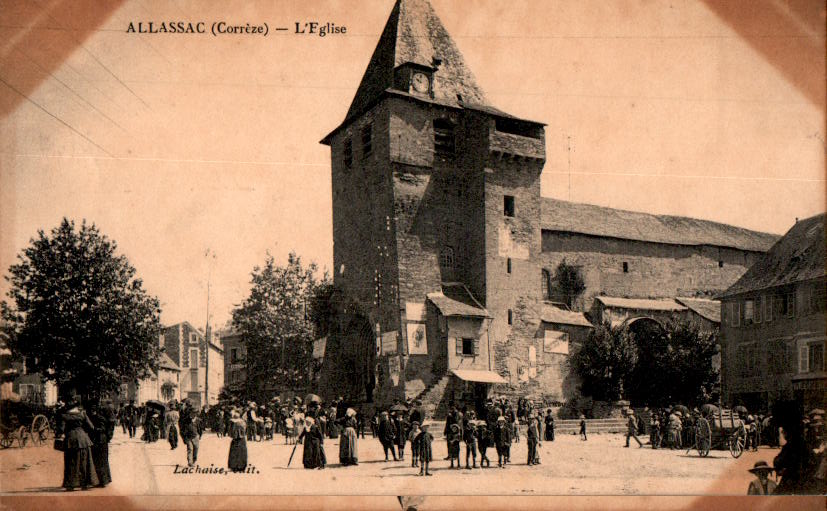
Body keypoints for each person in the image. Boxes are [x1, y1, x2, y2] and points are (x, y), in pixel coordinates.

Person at [58, 396, 99, 491]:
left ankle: (71, 484)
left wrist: (60, 433)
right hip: (84, 439)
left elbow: (61, 429)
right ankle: (85, 484)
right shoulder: (82, 413)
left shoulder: (64, 415)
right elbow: (91, 427)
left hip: (71, 439)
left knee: (71, 462)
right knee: (85, 461)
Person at [87, 399, 115, 488]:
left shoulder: (99, 418)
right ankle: (102, 480)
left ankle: (103, 481)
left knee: (101, 461)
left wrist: (94, 429)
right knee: (100, 461)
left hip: (100, 440)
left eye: (93, 410)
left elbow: (102, 429)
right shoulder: (98, 417)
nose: (92, 412)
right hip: (100, 440)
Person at [179, 399, 200, 467]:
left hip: (195, 437)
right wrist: (184, 438)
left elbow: (200, 429)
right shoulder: (185, 420)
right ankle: (190, 462)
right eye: (192, 413)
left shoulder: (198, 420)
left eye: (194, 413)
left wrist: (199, 435)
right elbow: (182, 430)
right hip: (188, 437)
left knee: (196, 449)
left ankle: (194, 460)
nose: (193, 414)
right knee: (190, 449)